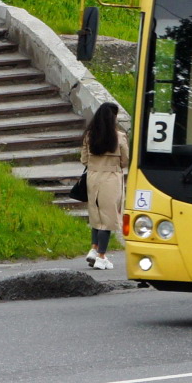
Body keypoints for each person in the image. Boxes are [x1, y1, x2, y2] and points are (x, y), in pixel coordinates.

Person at [81, 102, 129, 270]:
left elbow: (84, 160)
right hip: (111, 178)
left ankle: (94, 249)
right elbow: (125, 161)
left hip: (93, 177)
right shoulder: (119, 137)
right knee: (108, 218)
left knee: (96, 215)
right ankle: (102, 256)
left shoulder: (89, 136)